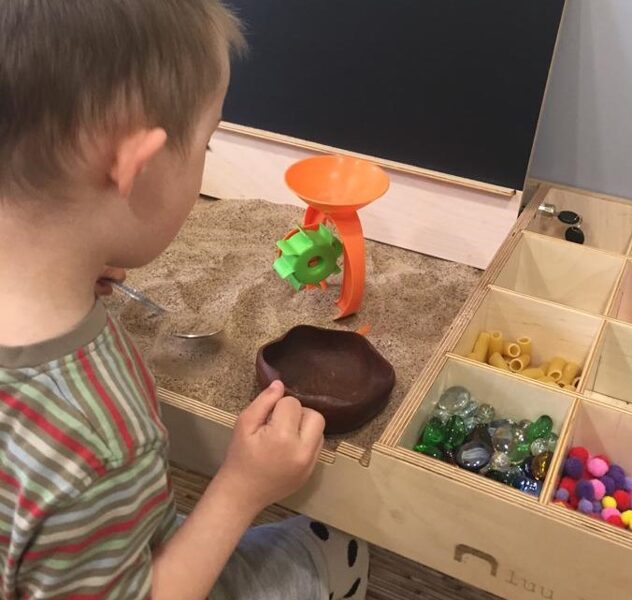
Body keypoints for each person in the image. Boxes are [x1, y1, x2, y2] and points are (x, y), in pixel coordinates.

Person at [0, 2, 368, 598]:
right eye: (207, 146)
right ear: (137, 171)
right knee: (332, 551)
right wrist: (241, 489)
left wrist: (78, 264)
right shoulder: (96, 444)